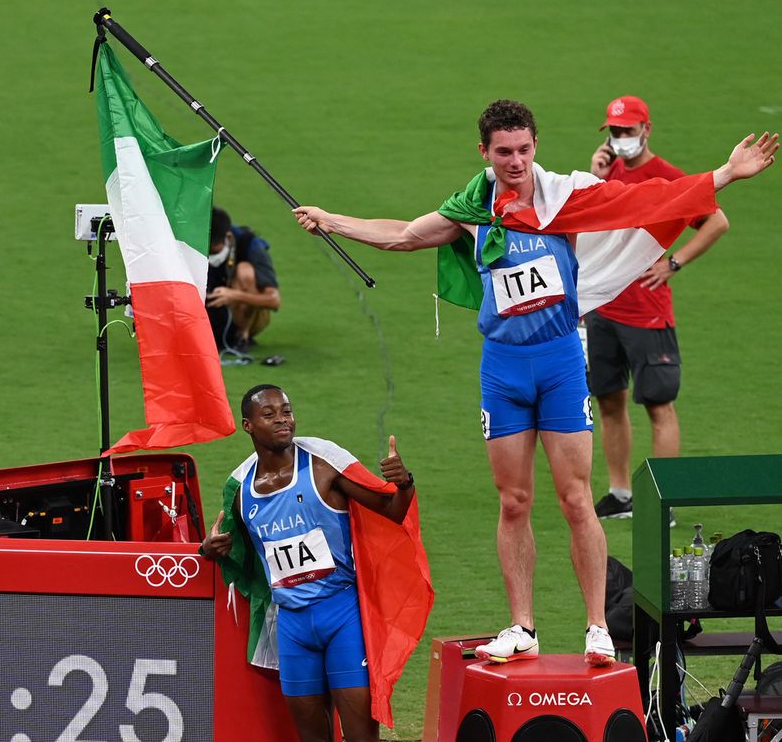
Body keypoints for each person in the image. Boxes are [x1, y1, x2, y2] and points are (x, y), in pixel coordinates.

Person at [293, 100, 777, 665]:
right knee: (514, 500)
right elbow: (403, 234)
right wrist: (332, 220)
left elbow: (649, 198)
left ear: (535, 146)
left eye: (524, 149)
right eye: (504, 152)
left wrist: (724, 175)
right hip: (502, 369)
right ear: (484, 152)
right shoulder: (473, 207)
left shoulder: (564, 200)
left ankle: (597, 626)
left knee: (577, 499)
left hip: (560, 364)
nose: (516, 161)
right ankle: (522, 625)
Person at [201, 385, 426, 742]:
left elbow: (392, 512)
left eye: (287, 411)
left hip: (340, 616)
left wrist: (405, 482)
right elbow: (238, 556)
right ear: (248, 426)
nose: (283, 420)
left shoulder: (323, 464)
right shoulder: (241, 489)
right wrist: (214, 553)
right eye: (269, 414)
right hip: (294, 628)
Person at [586, 96, 729, 521]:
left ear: (647, 130)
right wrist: (595, 179)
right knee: (609, 401)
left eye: (628, 131)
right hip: (604, 306)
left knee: (658, 405)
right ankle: (621, 494)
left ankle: (663, 501)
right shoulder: (608, 169)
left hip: (646, 312)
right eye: (615, 131)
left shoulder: (667, 177)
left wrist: (673, 263)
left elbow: (716, 221)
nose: (620, 139)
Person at [206, 207, 281, 357]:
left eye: (213, 250)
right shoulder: (188, 243)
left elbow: (274, 300)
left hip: (240, 312)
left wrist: (234, 295)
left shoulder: (250, 244)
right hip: (205, 312)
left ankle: (242, 337)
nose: (210, 254)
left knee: (245, 270)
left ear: (228, 237)